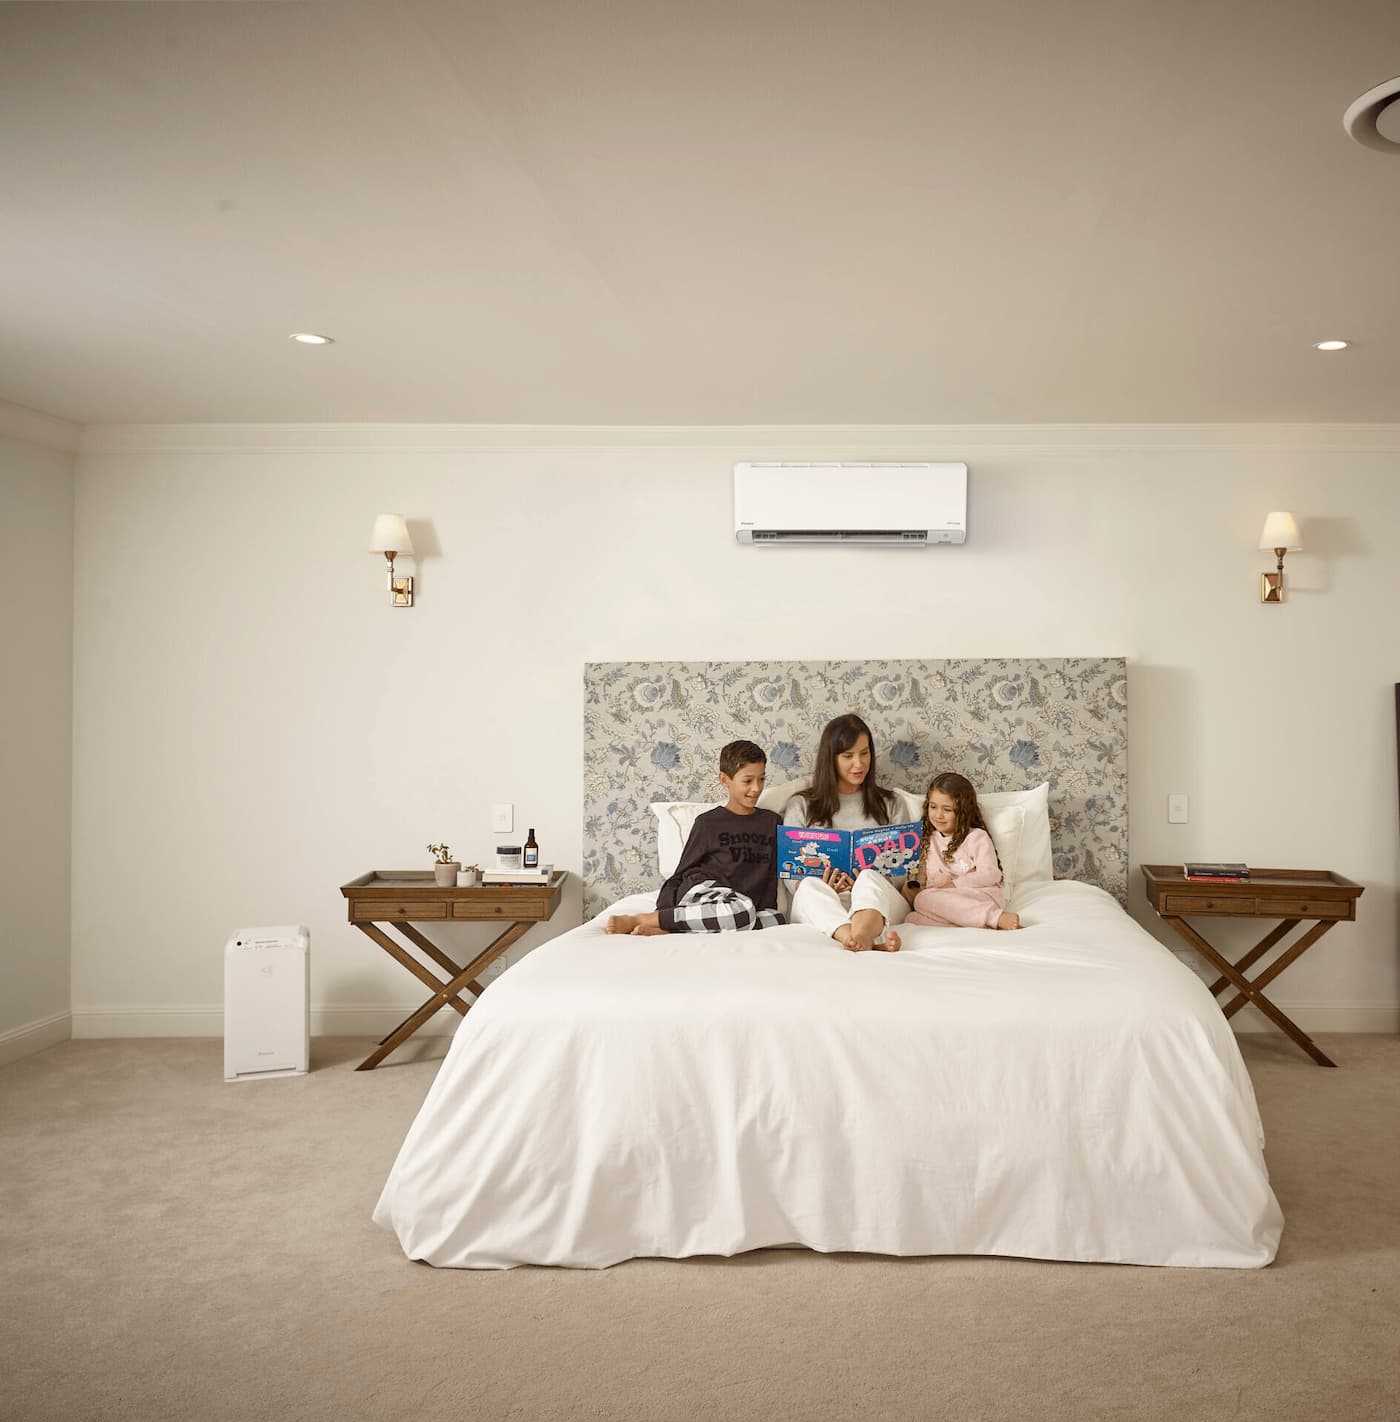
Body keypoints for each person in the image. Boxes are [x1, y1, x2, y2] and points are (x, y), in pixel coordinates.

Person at [607, 739, 783, 936]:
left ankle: (674, 930)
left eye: (762, 779)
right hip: (706, 893)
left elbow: (774, 874)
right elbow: (683, 871)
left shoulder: (773, 822)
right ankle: (647, 920)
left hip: (744, 906)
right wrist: (662, 910)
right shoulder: (708, 823)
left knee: (776, 920)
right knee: (741, 912)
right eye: (748, 781)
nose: (757, 788)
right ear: (724, 780)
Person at [783, 713, 910, 953]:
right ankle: (853, 937)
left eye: (864, 753)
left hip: (877, 902)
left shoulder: (892, 803)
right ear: (831, 759)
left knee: (869, 877)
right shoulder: (801, 805)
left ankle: (861, 934)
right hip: (826, 902)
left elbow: (903, 870)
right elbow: (790, 875)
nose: (859, 764)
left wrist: (870, 878)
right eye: (848, 756)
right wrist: (822, 882)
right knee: (808, 885)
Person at [903, 772, 1021, 931]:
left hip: (980, 897)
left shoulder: (976, 837)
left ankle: (995, 917)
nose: (938, 815)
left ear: (963, 811)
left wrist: (953, 884)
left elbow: (991, 874)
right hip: (944, 900)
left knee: (924, 899)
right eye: (933, 807)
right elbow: (925, 883)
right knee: (913, 917)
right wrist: (912, 889)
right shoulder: (927, 840)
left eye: (947, 809)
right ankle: (976, 923)